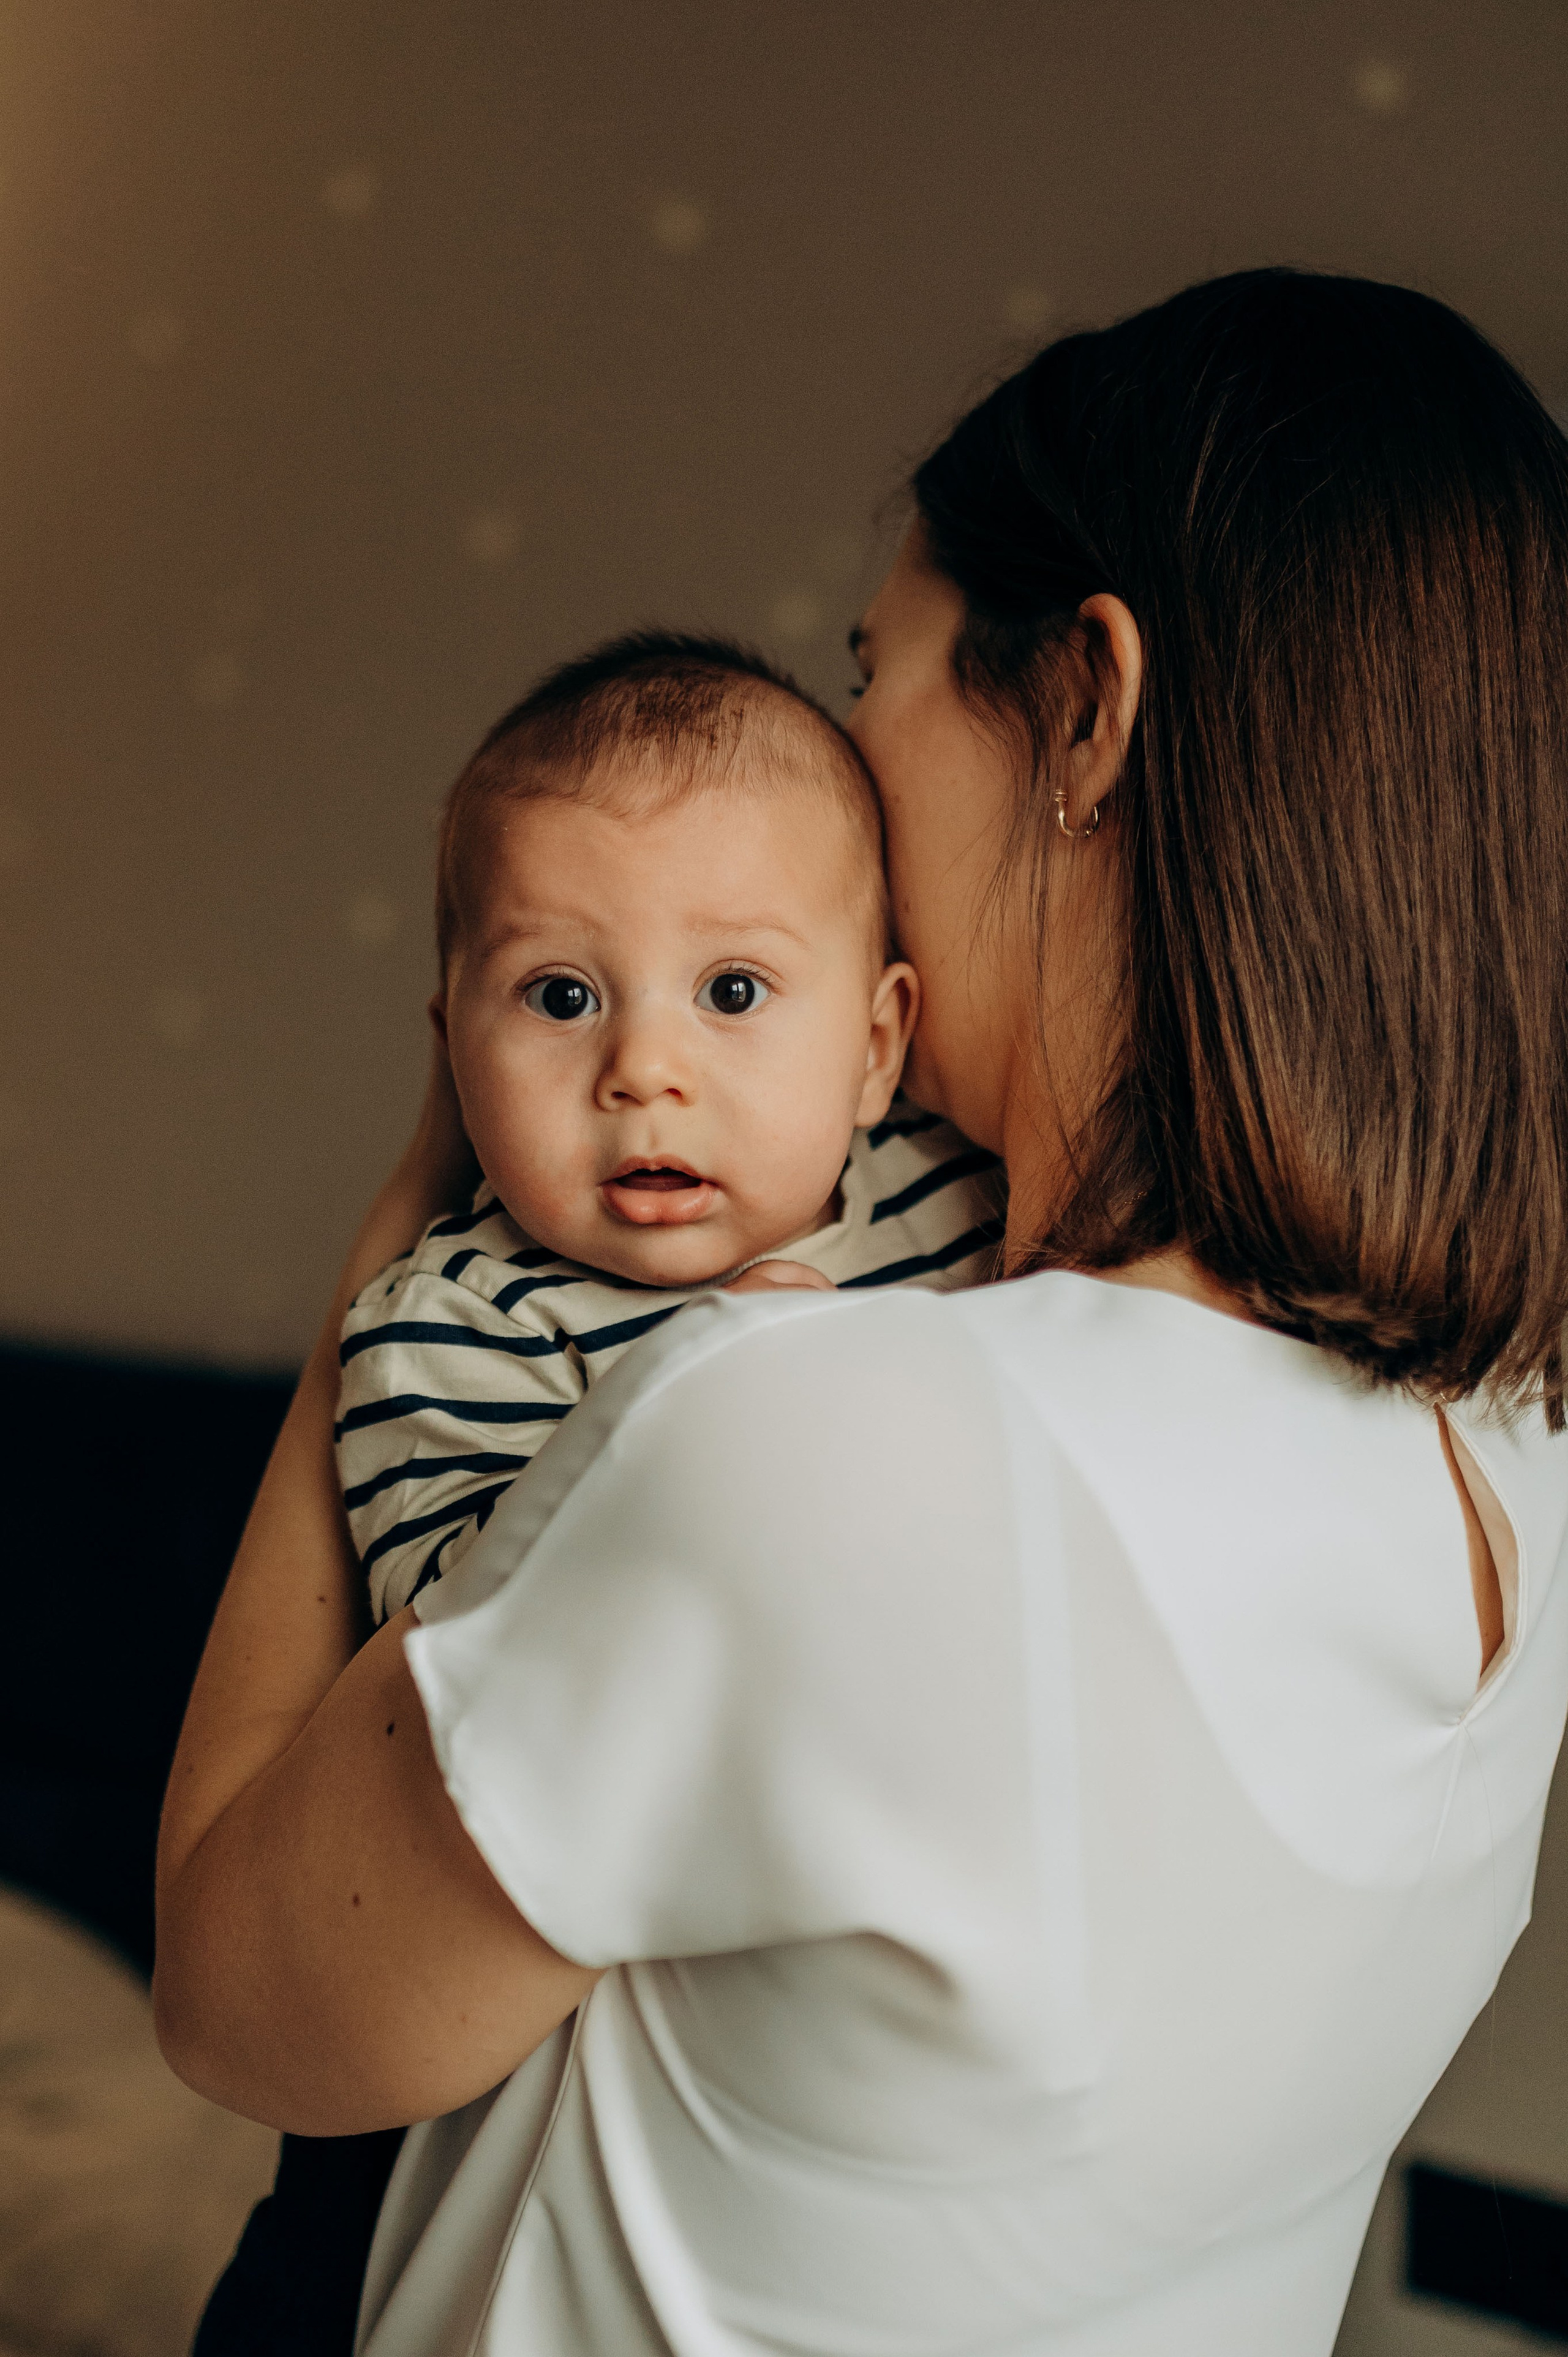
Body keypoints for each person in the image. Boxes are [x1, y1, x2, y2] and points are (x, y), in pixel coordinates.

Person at [156, 267, 1568, 2357]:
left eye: (870, 666)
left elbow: (236, 1990)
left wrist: (401, 1241)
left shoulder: (825, 1431)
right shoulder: (1509, 1449)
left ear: (1086, 708)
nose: (841, 762)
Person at [340, 630, 1003, 1626]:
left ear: (874, 1050)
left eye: (732, 990)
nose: (644, 1069)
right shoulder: (460, 1333)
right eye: (561, 997)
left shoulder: (959, 1192)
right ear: (457, 1059)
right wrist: (690, 1411)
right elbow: (457, 1678)